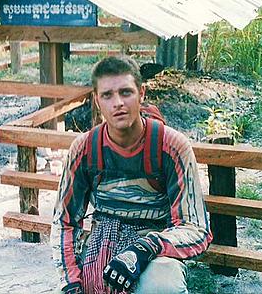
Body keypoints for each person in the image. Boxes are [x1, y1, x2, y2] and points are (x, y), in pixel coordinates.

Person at [50, 56, 212, 294]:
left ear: (142, 94)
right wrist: (70, 283)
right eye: (107, 95)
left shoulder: (171, 146)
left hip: (155, 249)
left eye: (126, 92)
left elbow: (196, 228)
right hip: (102, 244)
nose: (118, 103)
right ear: (97, 100)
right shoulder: (84, 149)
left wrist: (145, 247)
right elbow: (65, 221)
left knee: (162, 288)